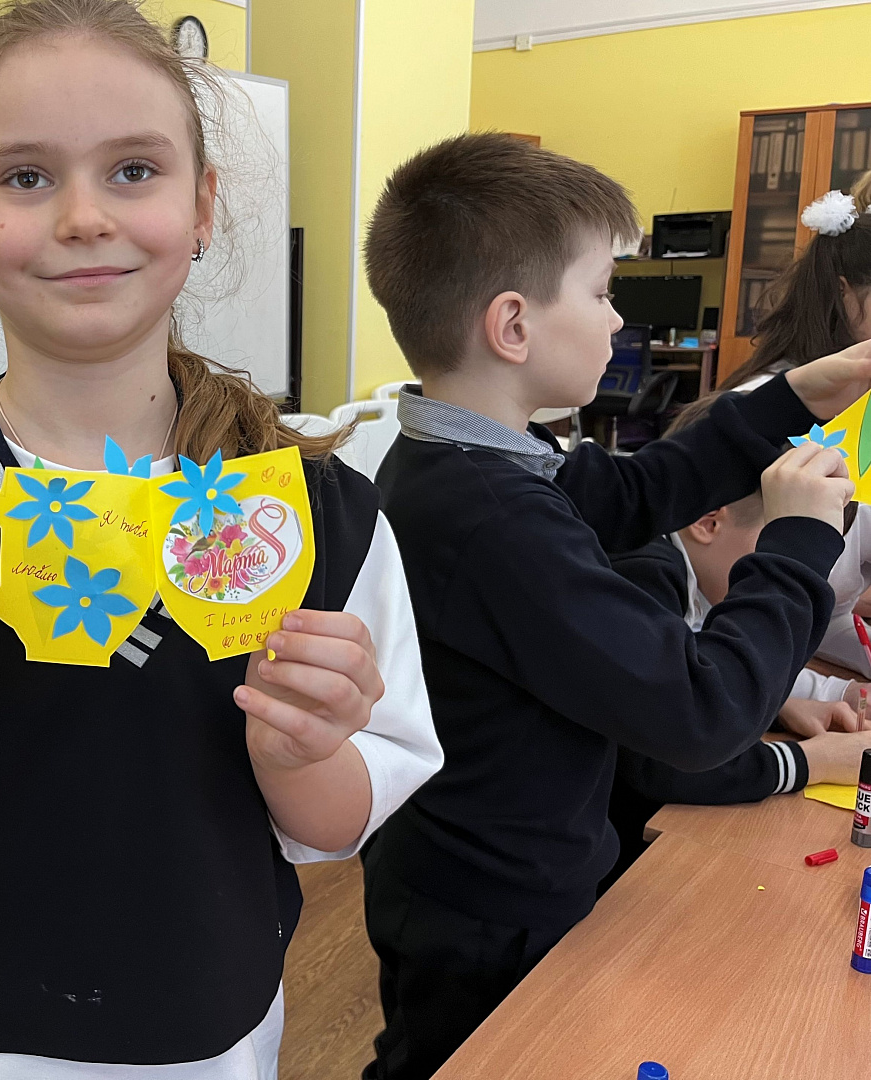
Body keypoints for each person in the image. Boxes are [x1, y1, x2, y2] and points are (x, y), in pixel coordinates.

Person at [0, 3, 441, 1077]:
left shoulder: (312, 517)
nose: (85, 217)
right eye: (25, 177)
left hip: (208, 1040)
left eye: (133, 171)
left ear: (202, 206)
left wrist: (300, 750)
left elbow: (336, 827)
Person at [358, 131, 871, 1080]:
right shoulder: (490, 514)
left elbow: (637, 491)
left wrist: (797, 395)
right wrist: (800, 539)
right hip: (489, 899)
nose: (618, 317)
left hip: (478, 868)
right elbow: (698, 710)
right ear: (512, 327)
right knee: (461, 1060)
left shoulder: (473, 459)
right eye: (600, 292)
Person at [602, 486, 871, 892]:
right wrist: (812, 761)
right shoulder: (642, 576)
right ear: (708, 522)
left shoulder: (673, 563)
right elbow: (662, 761)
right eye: (775, 548)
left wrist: (784, 707)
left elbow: (687, 677)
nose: (772, 577)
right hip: (598, 864)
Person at [702, 175, 871, 676]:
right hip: (734, 667)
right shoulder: (765, 415)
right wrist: (810, 694)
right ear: (844, 292)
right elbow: (705, 608)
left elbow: (834, 605)